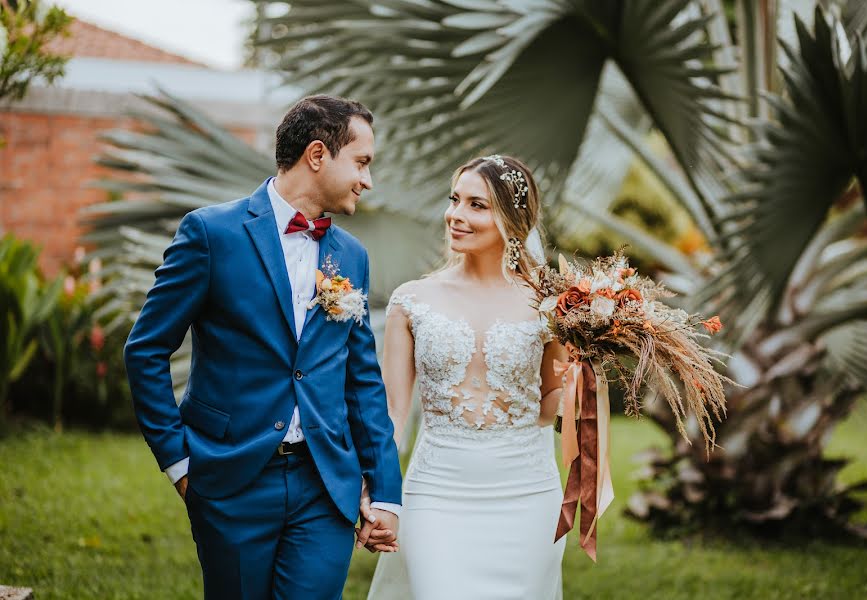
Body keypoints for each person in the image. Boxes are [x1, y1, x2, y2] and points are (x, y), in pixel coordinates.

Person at [124, 94, 402, 600]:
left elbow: (362, 380)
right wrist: (180, 465)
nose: (368, 180)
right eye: (361, 163)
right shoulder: (211, 233)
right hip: (229, 480)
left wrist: (384, 492)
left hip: (325, 485)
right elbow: (145, 349)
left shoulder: (351, 255)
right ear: (318, 156)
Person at [367, 155, 567, 599]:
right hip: (437, 492)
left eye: (477, 205)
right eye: (455, 200)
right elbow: (392, 412)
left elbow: (551, 402)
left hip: (528, 495)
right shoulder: (412, 301)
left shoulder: (551, 305)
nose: (456, 215)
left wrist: (581, 381)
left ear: (513, 220)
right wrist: (378, 492)